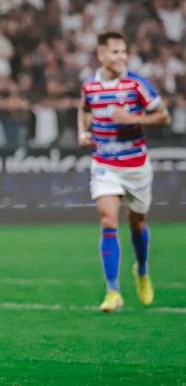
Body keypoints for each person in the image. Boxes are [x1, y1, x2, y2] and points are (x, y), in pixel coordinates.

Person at [77, 31, 171, 313]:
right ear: (101, 54)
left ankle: (141, 271)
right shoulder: (90, 86)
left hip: (135, 166)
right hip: (105, 164)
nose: (121, 57)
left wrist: (134, 118)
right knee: (108, 221)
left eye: (124, 52)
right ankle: (112, 291)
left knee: (137, 224)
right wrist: (83, 131)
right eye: (115, 52)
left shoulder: (136, 85)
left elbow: (163, 115)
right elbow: (83, 109)